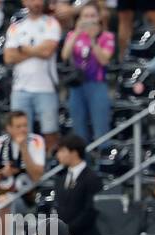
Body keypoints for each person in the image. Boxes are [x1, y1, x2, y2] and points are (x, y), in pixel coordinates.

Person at [4, 0, 62, 151]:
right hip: (20, 88)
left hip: (45, 87)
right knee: (20, 133)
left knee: (50, 132)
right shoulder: (16, 27)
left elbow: (48, 51)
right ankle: (24, 166)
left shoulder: (52, 23)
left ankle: (49, 168)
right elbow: (8, 57)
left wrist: (22, 49)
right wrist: (37, 50)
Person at [63, 2, 115, 143]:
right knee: (79, 130)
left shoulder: (106, 36)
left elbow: (104, 60)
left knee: (101, 130)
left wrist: (93, 40)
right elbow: (65, 55)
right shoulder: (73, 35)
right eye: (85, 16)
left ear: (98, 18)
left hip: (97, 85)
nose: (89, 19)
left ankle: (103, 162)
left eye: (92, 16)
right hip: (77, 86)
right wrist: (76, 33)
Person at [54, 135, 103, 235]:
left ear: (74, 152)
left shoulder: (92, 178)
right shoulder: (60, 179)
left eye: (62, 151)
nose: (58, 155)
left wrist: (67, 230)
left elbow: (90, 210)